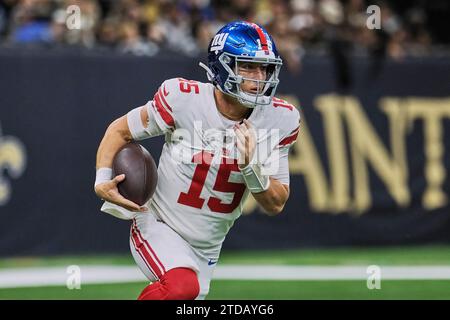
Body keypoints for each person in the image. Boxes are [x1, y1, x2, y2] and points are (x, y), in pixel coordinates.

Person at [94, 21, 301, 300]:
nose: (259, 76)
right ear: (222, 65)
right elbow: (120, 130)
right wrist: (101, 178)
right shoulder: (183, 99)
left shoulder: (280, 119)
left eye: (265, 68)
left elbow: (276, 202)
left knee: (186, 290)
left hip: (207, 249)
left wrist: (252, 168)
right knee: (182, 288)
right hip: (159, 224)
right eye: (248, 66)